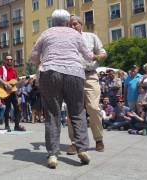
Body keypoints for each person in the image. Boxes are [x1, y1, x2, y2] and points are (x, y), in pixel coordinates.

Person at [31, 9, 99, 168]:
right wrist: (97, 56)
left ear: (52, 21)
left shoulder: (46, 34)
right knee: (77, 112)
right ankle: (82, 149)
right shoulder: (76, 34)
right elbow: (89, 56)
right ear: (68, 22)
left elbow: (34, 57)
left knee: (52, 114)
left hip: (50, 72)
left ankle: (53, 155)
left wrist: (42, 62)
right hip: (74, 73)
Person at [67, 15, 107, 154]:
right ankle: (75, 142)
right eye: (70, 25)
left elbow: (103, 53)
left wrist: (96, 57)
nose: (73, 26)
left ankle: (99, 139)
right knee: (72, 111)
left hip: (90, 75)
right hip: (72, 77)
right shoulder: (65, 40)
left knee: (93, 108)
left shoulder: (91, 37)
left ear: (81, 24)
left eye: (75, 24)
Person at [0, 55, 26, 132]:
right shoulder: (1, 68)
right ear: (5, 61)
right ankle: (6, 126)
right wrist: (5, 83)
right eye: (8, 59)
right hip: (5, 91)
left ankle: (16, 126)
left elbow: (15, 83)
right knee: (8, 108)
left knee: (17, 109)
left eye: (11, 59)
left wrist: (22, 83)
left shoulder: (14, 71)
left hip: (12, 92)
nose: (9, 61)